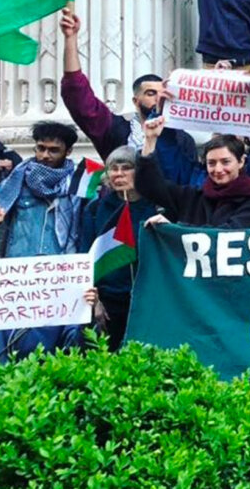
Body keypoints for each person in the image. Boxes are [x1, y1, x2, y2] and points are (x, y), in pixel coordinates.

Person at [60, 8, 201, 185]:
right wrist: (70, 39)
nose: (159, 99)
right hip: (124, 208)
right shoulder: (116, 130)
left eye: (162, 93)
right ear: (136, 101)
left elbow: (189, 183)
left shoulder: (182, 138)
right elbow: (78, 97)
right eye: (151, 93)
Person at [0, 122, 88, 359]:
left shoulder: (80, 185)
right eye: (40, 148)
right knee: (5, 353)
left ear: (68, 152)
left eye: (53, 150)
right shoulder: (14, 181)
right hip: (15, 281)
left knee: (50, 356)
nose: (44, 155)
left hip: (58, 279)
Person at [78, 146, 155, 350]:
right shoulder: (95, 210)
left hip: (146, 301)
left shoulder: (157, 208)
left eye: (126, 167)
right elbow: (85, 258)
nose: (119, 174)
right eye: (113, 168)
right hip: (107, 302)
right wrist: (95, 302)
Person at [136, 119, 250, 228]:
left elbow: (226, 233)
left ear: (241, 161)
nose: (218, 169)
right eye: (211, 163)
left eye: (225, 162)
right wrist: (150, 140)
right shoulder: (193, 196)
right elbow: (149, 186)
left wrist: (176, 230)